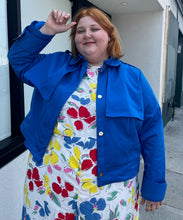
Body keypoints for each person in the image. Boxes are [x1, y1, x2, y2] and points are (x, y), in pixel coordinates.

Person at [8, 7, 167, 220]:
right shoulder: (55, 66)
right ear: (75, 39)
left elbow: (152, 132)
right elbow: (19, 59)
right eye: (80, 31)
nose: (87, 35)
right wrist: (47, 29)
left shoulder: (133, 78)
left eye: (94, 28)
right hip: (51, 181)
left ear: (109, 35)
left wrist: (154, 185)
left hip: (111, 189)